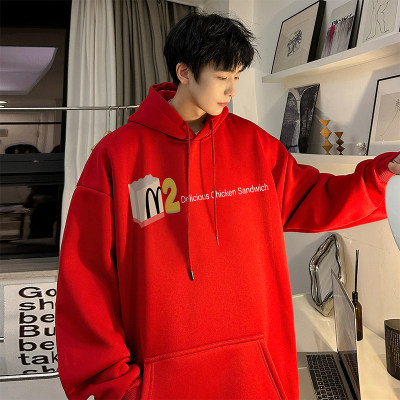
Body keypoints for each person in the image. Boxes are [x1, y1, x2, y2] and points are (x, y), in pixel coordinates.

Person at [56, 12, 400, 400]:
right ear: (184, 72)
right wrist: (114, 388)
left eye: (237, 76)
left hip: (256, 381)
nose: (232, 89)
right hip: (161, 387)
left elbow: (317, 197)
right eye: (222, 77)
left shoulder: (255, 146)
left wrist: (381, 176)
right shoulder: (118, 157)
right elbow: (86, 283)